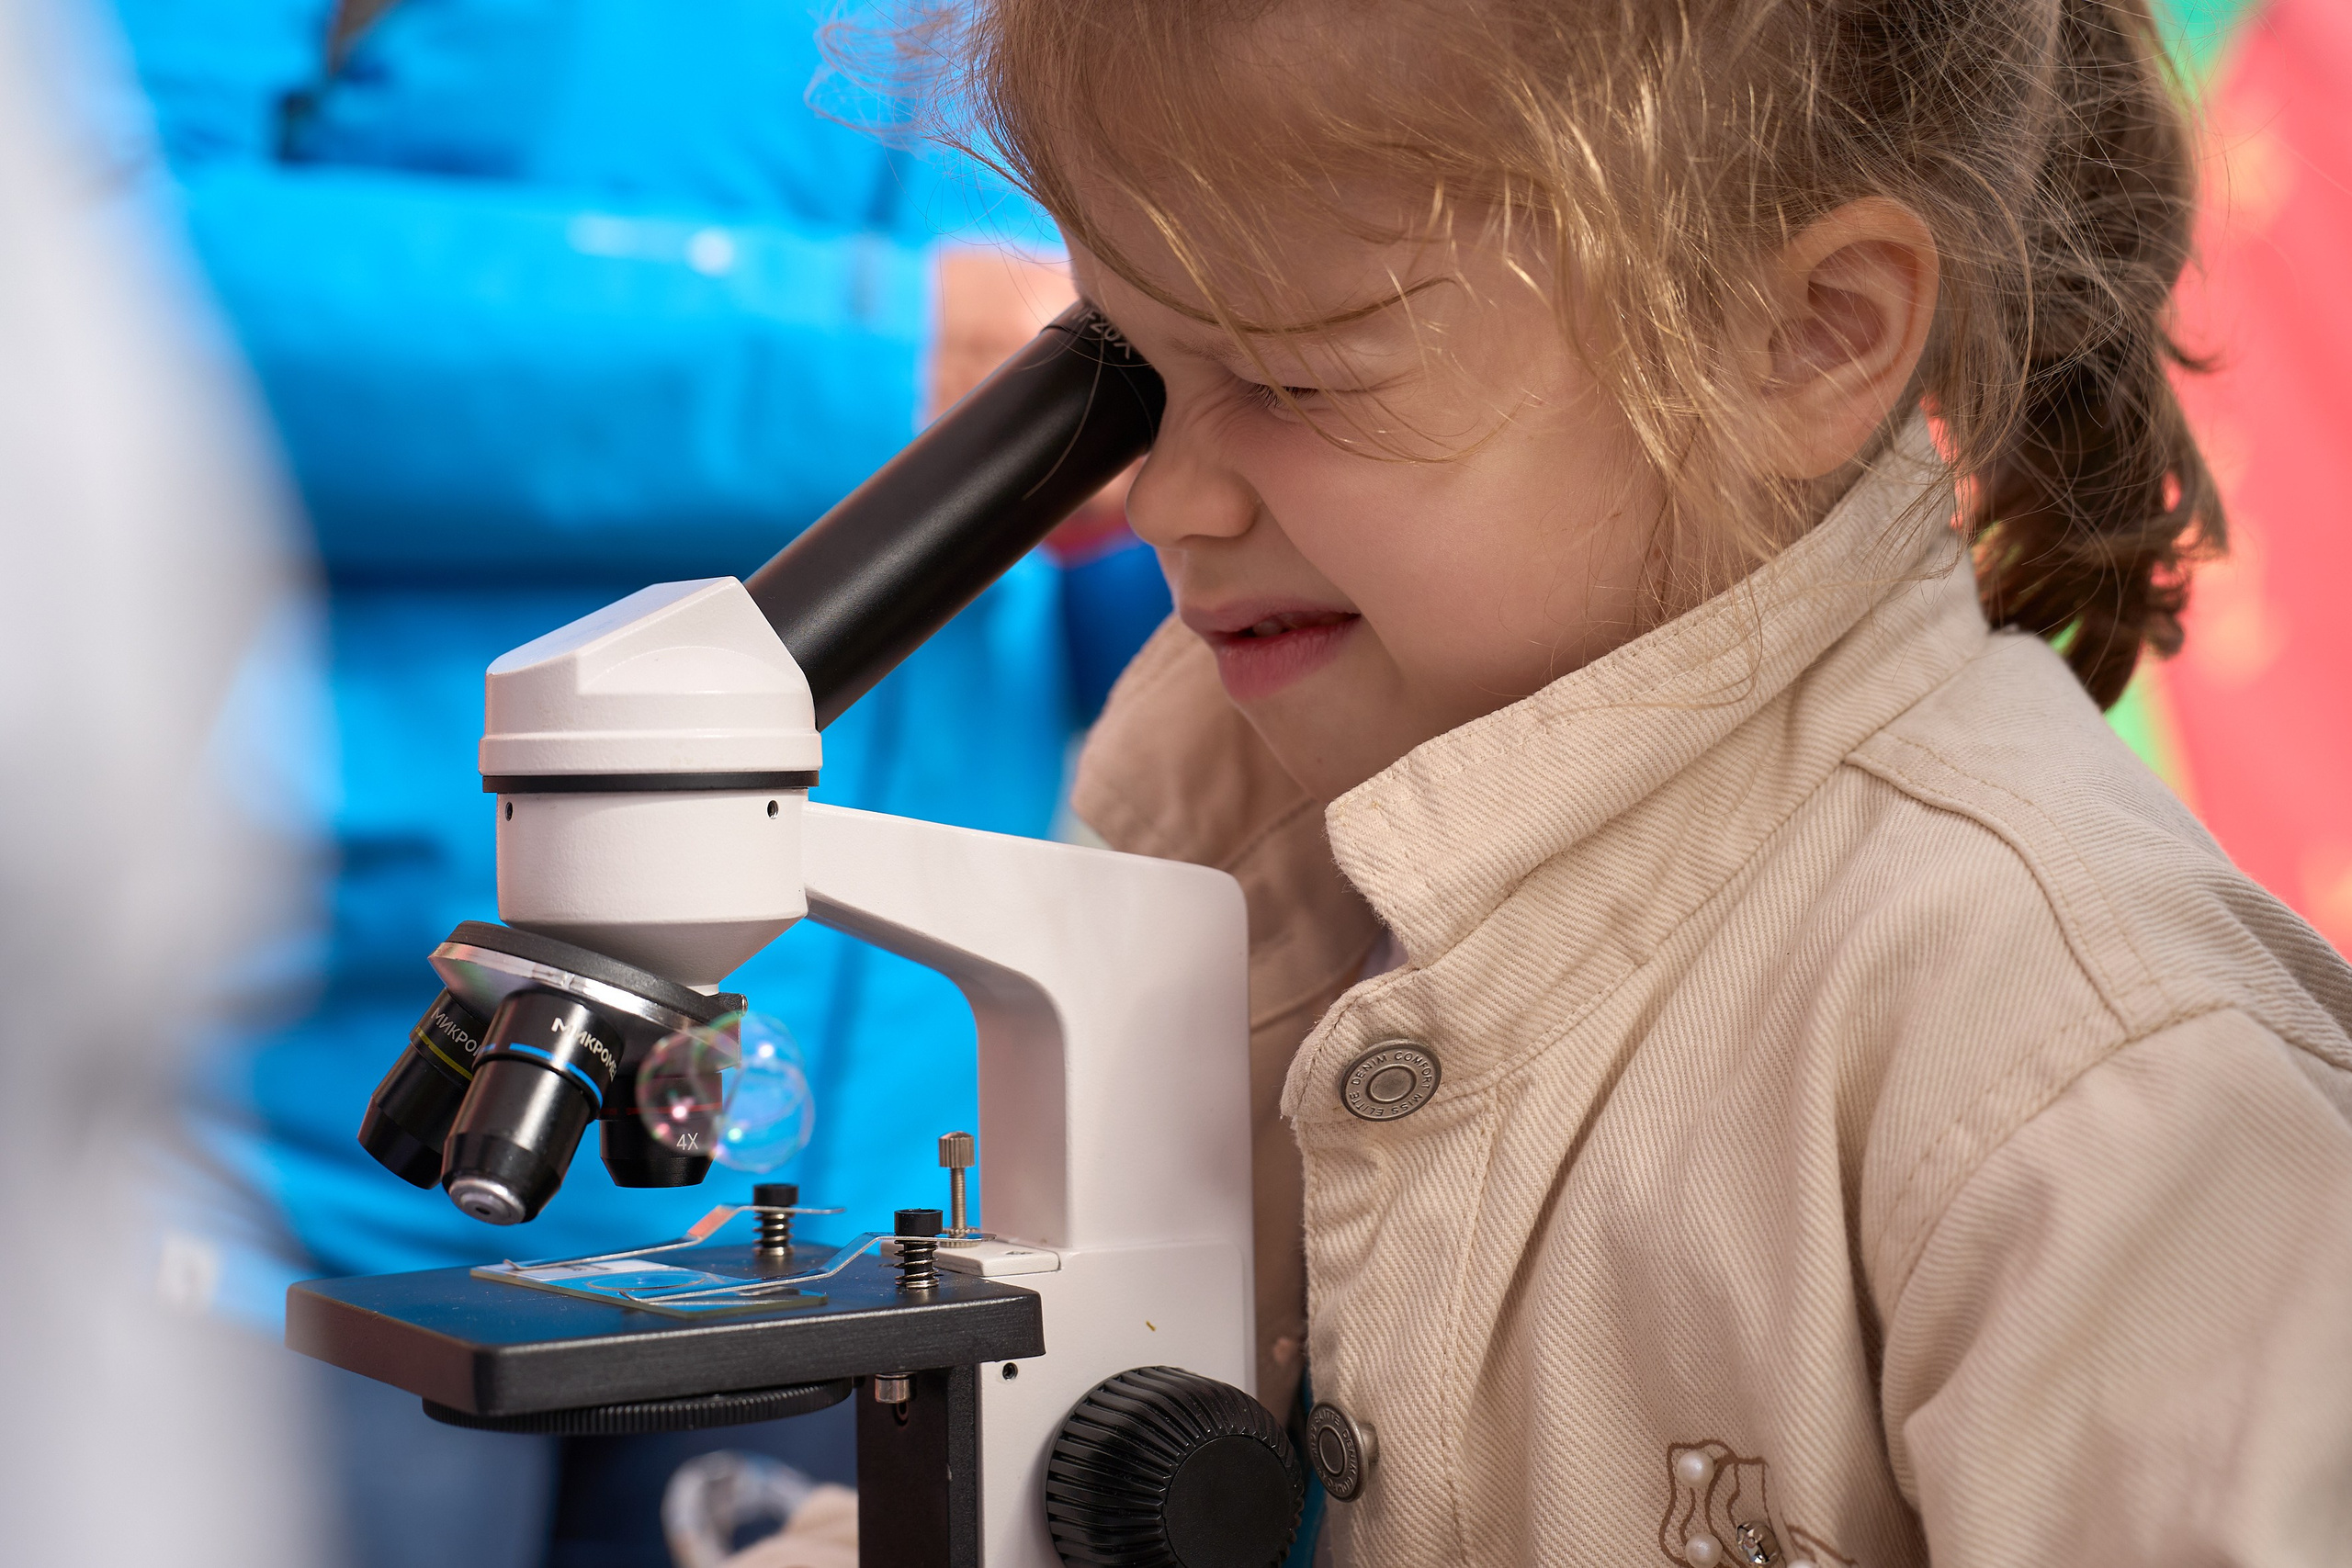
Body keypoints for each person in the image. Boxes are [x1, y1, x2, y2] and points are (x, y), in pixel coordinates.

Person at [760, 0, 2352, 1562]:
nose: (1167, 496)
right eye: (1135, 369)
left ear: (1807, 336)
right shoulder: (1219, 841)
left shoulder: (2091, 1073)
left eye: (1299, 381)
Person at [98, 0, 1165, 1562]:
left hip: (876, 1209)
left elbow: (1102, 589)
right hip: (293, 1159)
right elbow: (92, 280)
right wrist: (881, 358)